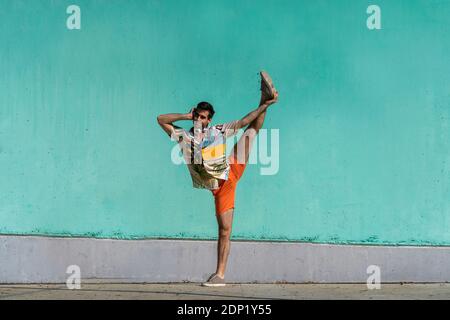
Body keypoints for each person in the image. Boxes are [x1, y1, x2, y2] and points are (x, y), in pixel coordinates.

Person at [157, 71, 278, 286]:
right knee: (224, 229)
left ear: (209, 119)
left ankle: (265, 97)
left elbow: (242, 122)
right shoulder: (184, 137)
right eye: (197, 116)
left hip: (232, 166)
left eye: (203, 117)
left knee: (251, 131)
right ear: (194, 115)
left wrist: (264, 106)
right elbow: (161, 120)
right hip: (222, 188)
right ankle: (219, 275)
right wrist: (185, 117)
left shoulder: (217, 130)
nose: (199, 120)